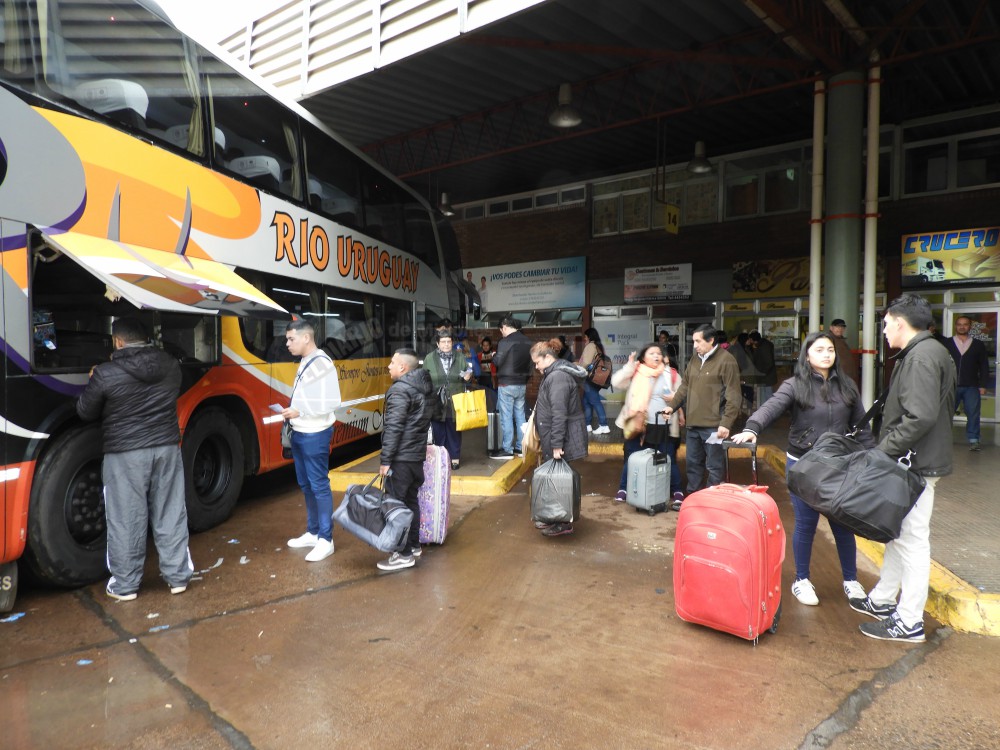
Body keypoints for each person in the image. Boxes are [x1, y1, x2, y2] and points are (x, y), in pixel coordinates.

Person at [730, 331, 874, 607]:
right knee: (806, 524)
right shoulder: (794, 385)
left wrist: (872, 460)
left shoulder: (848, 387)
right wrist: (752, 427)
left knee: (843, 524)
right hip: (804, 465)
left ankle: (851, 580)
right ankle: (802, 580)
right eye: (819, 349)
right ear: (807, 355)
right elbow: (771, 407)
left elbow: (862, 428)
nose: (826, 354)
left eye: (830, 349)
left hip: (839, 465)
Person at [850, 294, 955, 642]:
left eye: (884, 323)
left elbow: (920, 416)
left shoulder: (921, 357)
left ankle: (909, 621)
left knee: (910, 540)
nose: (883, 330)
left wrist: (883, 452)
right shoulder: (930, 351)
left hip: (915, 464)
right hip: (917, 460)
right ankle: (882, 600)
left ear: (898, 322)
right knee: (898, 534)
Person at [75, 317, 193, 601]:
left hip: (125, 453)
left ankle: (126, 585)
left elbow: (84, 412)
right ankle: (177, 578)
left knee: (126, 517)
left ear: (117, 342)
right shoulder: (170, 365)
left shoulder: (106, 373)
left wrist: (94, 380)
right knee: (170, 511)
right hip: (166, 447)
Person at [663, 324, 742, 511]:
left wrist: (726, 423)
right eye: (694, 342)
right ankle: (693, 501)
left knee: (714, 467)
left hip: (714, 426)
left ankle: (711, 503)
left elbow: (733, 395)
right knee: (693, 464)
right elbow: (685, 387)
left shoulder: (727, 361)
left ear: (711, 340)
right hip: (693, 424)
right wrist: (672, 407)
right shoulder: (695, 359)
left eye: (698, 341)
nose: (695, 345)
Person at [283, 319, 342, 562]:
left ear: (306, 338)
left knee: (318, 485)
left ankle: (326, 539)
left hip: (315, 433)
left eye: (291, 339)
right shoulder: (305, 361)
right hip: (300, 431)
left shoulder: (322, 363)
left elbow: (332, 401)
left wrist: (300, 411)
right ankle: (313, 531)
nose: (287, 344)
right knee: (306, 485)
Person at [375, 348, 435, 572]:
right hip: (416, 457)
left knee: (396, 505)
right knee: (410, 501)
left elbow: (394, 427)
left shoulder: (400, 390)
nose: (389, 366)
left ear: (403, 367)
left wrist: (386, 459)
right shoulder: (424, 386)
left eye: (392, 363)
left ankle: (402, 554)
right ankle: (414, 545)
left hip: (400, 458)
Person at [529, 338, 589, 537]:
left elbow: (559, 413)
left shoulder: (557, 377)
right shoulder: (554, 374)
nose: (536, 367)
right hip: (557, 437)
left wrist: (556, 445)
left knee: (559, 482)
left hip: (561, 439)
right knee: (557, 480)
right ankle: (555, 517)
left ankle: (563, 522)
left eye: (537, 362)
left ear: (548, 358)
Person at [610, 343, 683, 506]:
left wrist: (674, 397)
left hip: (663, 424)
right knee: (632, 457)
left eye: (658, 353)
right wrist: (629, 367)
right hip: (638, 424)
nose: (656, 356)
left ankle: (676, 490)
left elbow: (682, 395)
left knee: (668, 457)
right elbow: (616, 382)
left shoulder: (670, 374)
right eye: (651, 353)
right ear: (643, 357)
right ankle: (625, 488)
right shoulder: (636, 371)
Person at [423, 330, 474, 470]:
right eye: (443, 342)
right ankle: (441, 459)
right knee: (438, 431)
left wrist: (468, 375)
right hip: (436, 400)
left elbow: (468, 370)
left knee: (454, 430)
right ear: (438, 344)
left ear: (452, 342)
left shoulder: (460, 357)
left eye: (449, 341)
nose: (446, 344)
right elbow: (424, 378)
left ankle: (455, 458)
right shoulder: (429, 358)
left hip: (455, 399)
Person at [944, 315, 990, 451]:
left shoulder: (978, 344)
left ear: (970, 326)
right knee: (946, 414)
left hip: (972, 386)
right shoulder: (946, 343)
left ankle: (974, 440)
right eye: (959, 324)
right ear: (955, 326)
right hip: (950, 386)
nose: (962, 327)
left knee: (973, 413)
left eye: (965, 324)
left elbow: (984, 366)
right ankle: (943, 439)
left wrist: (983, 385)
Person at [492, 316, 533, 459]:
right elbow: (531, 365)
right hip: (521, 383)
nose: (501, 333)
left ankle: (507, 449)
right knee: (520, 416)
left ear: (504, 327)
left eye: (501, 330)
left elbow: (498, 361)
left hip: (507, 383)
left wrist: (493, 355)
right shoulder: (528, 341)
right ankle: (520, 447)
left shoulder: (505, 341)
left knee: (506, 417)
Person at [576, 327, 611, 434]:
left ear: (589, 336)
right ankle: (587, 425)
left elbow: (586, 362)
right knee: (586, 401)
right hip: (596, 378)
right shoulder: (598, 346)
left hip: (591, 379)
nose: (584, 339)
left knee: (595, 401)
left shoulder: (591, 346)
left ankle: (604, 425)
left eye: (585, 336)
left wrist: (577, 368)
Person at [747, 330, 777, 403]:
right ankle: (766, 411)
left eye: (750, 339)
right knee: (765, 394)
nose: (749, 341)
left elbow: (768, 362)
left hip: (765, 375)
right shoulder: (761, 345)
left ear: (753, 339)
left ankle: (769, 412)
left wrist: (762, 373)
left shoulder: (763, 347)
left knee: (767, 395)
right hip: (765, 375)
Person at [828, 318, 859, 385]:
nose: (840, 329)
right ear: (831, 328)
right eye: (837, 327)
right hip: (837, 378)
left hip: (845, 377)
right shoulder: (828, 340)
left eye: (842, 327)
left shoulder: (841, 340)